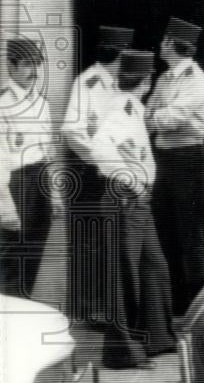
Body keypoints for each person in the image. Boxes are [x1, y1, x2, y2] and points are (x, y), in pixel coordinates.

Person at [92, 49, 174, 369]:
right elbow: (100, 148)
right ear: (146, 81)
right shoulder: (119, 109)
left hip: (137, 200)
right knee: (124, 275)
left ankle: (157, 338)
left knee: (154, 267)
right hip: (124, 197)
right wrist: (131, 180)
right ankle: (122, 353)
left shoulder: (133, 108)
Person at [62, 25, 134, 322]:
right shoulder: (88, 83)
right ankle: (91, 310)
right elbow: (72, 130)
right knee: (91, 241)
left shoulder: (117, 84)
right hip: (92, 172)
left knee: (108, 240)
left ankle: (107, 308)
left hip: (112, 171)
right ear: (116, 55)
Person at [145, 16, 204, 316]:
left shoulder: (196, 79)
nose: (160, 45)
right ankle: (174, 303)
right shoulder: (163, 79)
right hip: (164, 161)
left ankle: (197, 307)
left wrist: (157, 118)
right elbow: (153, 111)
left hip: (188, 161)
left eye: (163, 41)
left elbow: (175, 117)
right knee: (165, 232)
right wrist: (159, 118)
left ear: (172, 44)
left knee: (191, 235)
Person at [0, 38, 63, 299]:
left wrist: (55, 193)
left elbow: (47, 150)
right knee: (11, 257)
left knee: (33, 253)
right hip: (14, 184)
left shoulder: (41, 103)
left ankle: (23, 313)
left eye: (37, 64)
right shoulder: (3, 104)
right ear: (11, 66)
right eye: (27, 64)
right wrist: (6, 205)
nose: (34, 71)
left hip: (39, 182)